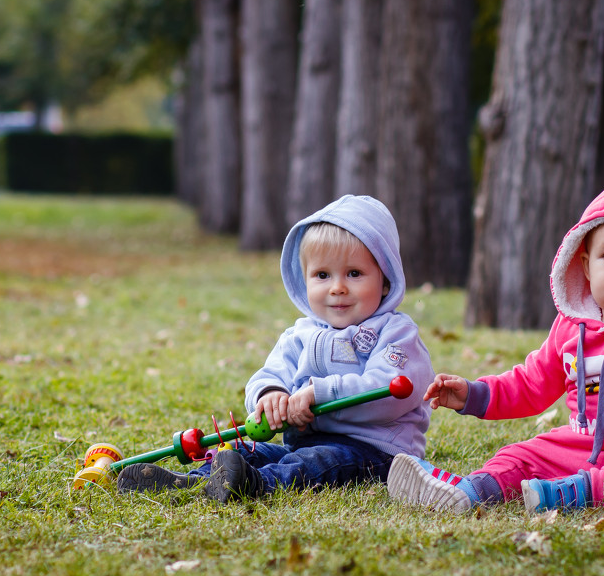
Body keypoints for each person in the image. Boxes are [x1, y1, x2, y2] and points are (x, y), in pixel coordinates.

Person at [388, 171, 604, 515]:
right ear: (585, 266)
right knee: (521, 455)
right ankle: (469, 491)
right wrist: (474, 394)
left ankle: (573, 493)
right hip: (580, 445)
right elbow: (530, 384)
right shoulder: (571, 327)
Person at [118, 194, 434, 502]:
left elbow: (391, 391)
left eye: (354, 273)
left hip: (373, 451)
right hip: (301, 444)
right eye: (322, 275)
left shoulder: (395, 333)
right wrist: (270, 396)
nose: (338, 287)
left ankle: (257, 484)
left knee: (315, 464)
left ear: (386, 279)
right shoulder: (300, 334)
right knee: (242, 451)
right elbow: (270, 373)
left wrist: (320, 393)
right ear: (305, 279)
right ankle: (192, 484)